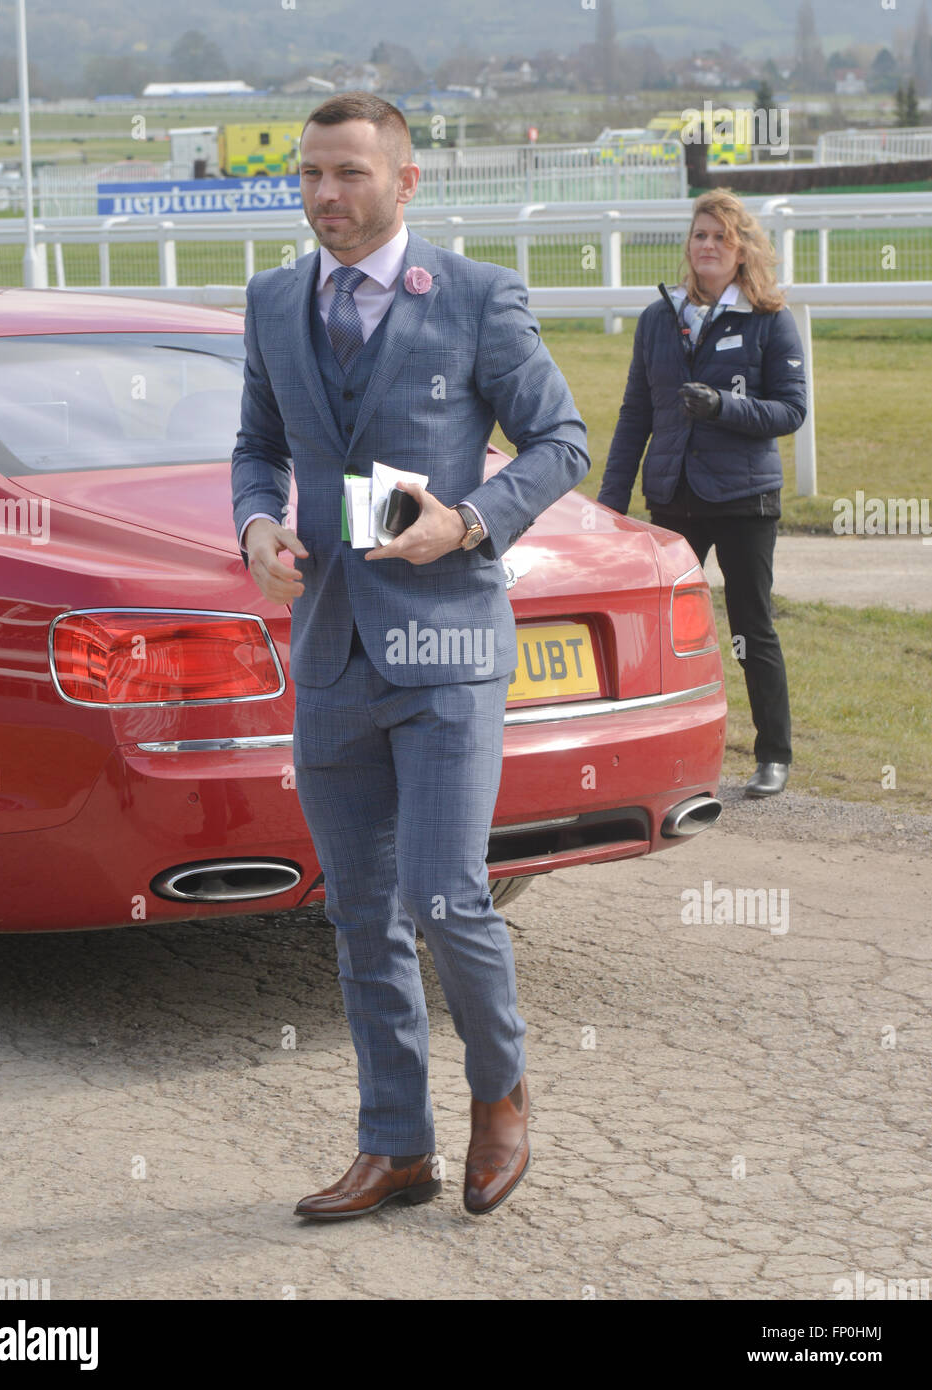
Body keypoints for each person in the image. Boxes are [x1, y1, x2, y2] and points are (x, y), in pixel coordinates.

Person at [232, 92, 590, 1219]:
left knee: (446, 897)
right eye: (308, 175)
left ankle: (503, 1092)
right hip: (331, 648)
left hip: (446, 649)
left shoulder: (476, 299)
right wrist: (254, 528)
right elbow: (255, 448)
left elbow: (561, 439)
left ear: (404, 181)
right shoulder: (272, 299)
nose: (325, 196)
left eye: (347, 173)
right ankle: (395, 1144)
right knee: (358, 911)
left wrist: (471, 520)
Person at [598, 188, 807, 798]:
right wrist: (611, 505)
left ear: (740, 250)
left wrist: (724, 407)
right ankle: (655, 757)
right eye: (699, 235)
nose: (708, 245)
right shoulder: (658, 318)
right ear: (688, 247)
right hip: (674, 498)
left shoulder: (769, 318)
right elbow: (636, 413)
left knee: (751, 627)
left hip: (744, 501)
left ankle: (774, 754)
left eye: (721, 236)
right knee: (657, 633)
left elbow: (791, 410)